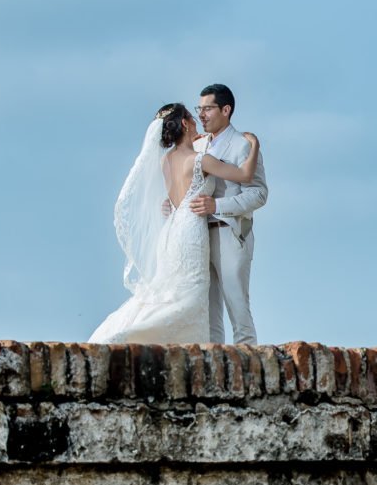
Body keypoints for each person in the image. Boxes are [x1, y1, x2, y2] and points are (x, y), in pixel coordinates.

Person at [89, 103, 260, 344]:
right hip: (192, 231)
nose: (197, 119)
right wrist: (254, 145)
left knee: (173, 290)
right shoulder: (200, 160)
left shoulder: (166, 161)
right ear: (184, 123)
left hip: (172, 231)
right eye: (192, 117)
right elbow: (244, 176)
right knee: (191, 293)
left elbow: (172, 196)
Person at [189, 84, 268, 345]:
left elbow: (258, 193)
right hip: (196, 236)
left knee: (237, 305)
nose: (202, 114)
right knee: (208, 311)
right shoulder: (197, 145)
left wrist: (217, 206)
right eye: (199, 109)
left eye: (208, 108)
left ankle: (250, 370)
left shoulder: (243, 144)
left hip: (230, 233)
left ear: (226, 109)